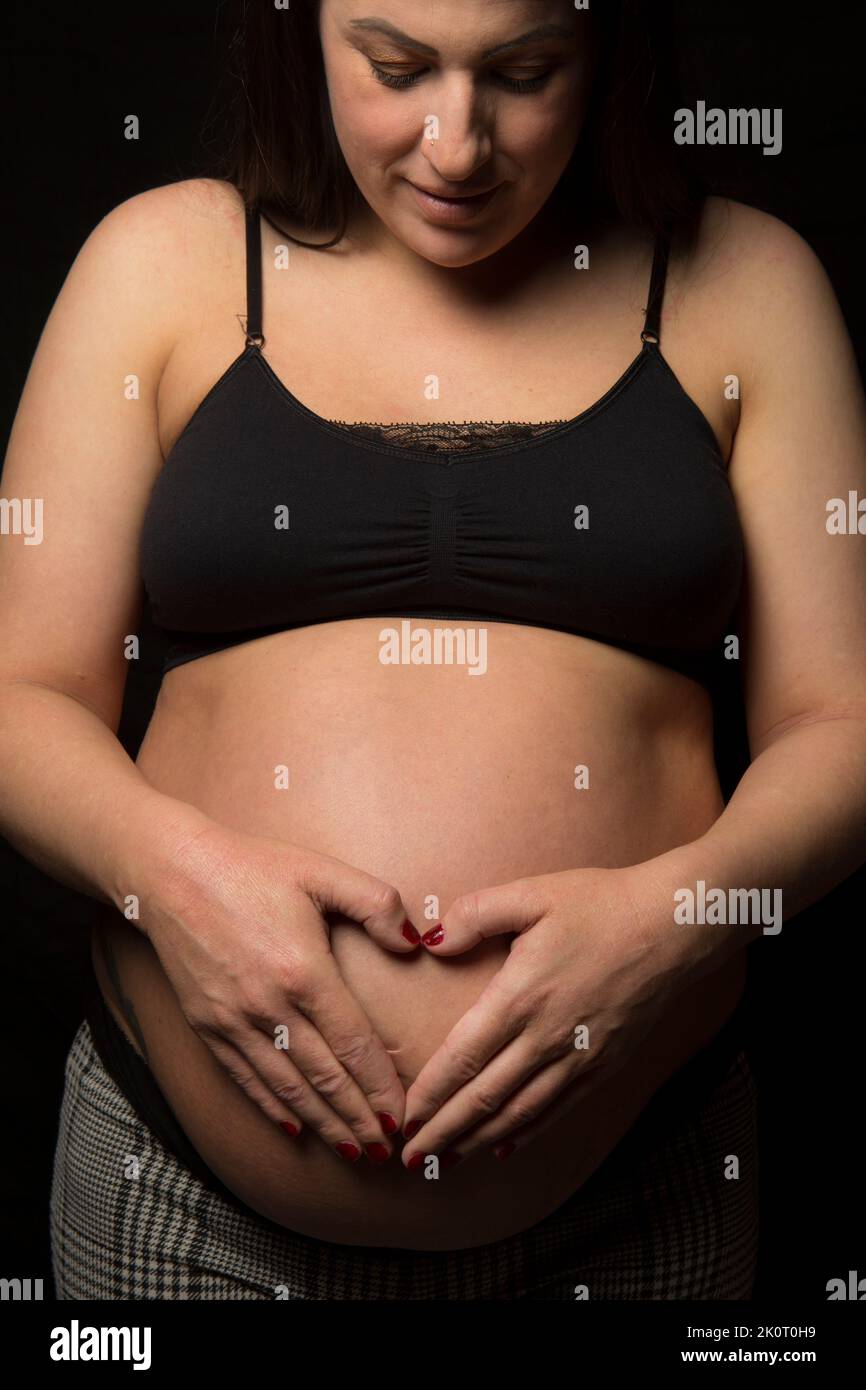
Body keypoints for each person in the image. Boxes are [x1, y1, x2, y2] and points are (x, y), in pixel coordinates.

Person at [2, 0, 865, 1301]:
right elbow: (19, 695)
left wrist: (672, 920)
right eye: (394, 67)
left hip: (636, 1193)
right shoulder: (162, 264)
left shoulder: (741, 283)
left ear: (607, 55)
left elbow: (843, 723)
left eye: (522, 74)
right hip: (185, 1205)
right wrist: (174, 884)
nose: (454, 144)